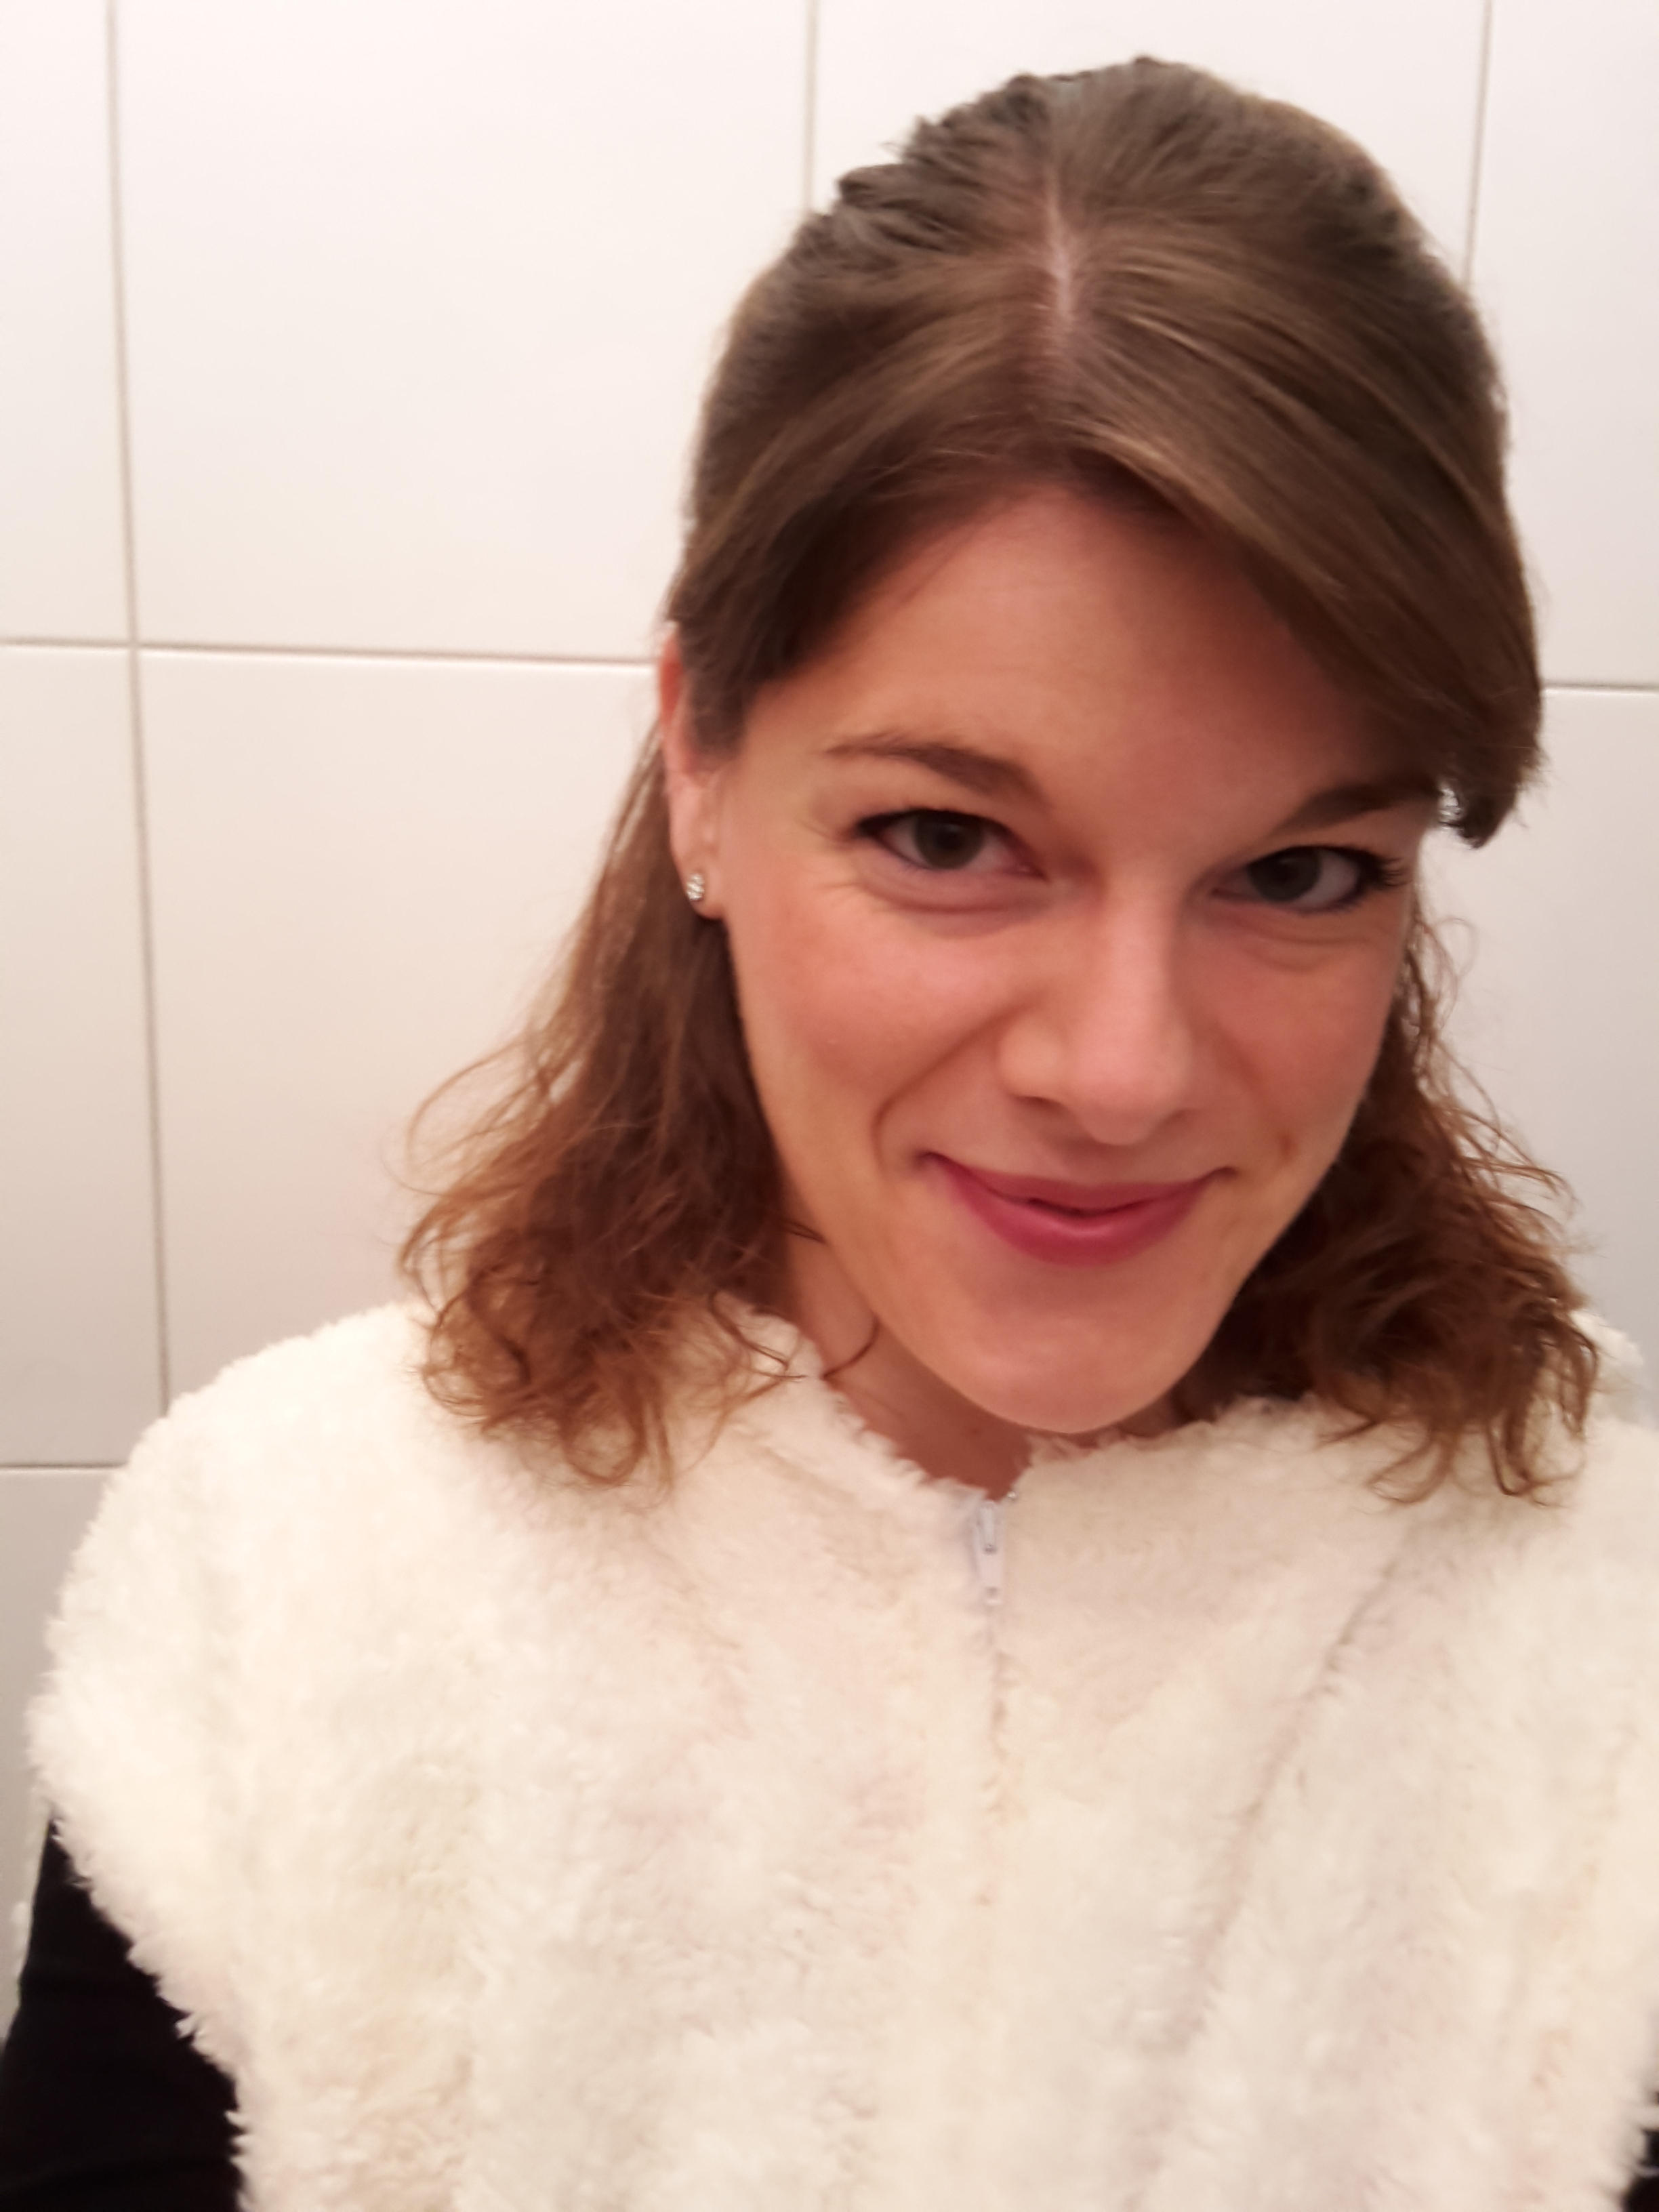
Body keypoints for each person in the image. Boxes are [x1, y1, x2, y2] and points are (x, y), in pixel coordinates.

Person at [3, 54, 1659, 2211]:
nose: (1124, 1071)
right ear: (698, 758)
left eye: (1300, 872)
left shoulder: (1607, 1650)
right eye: (949, 837)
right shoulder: (282, 1588)